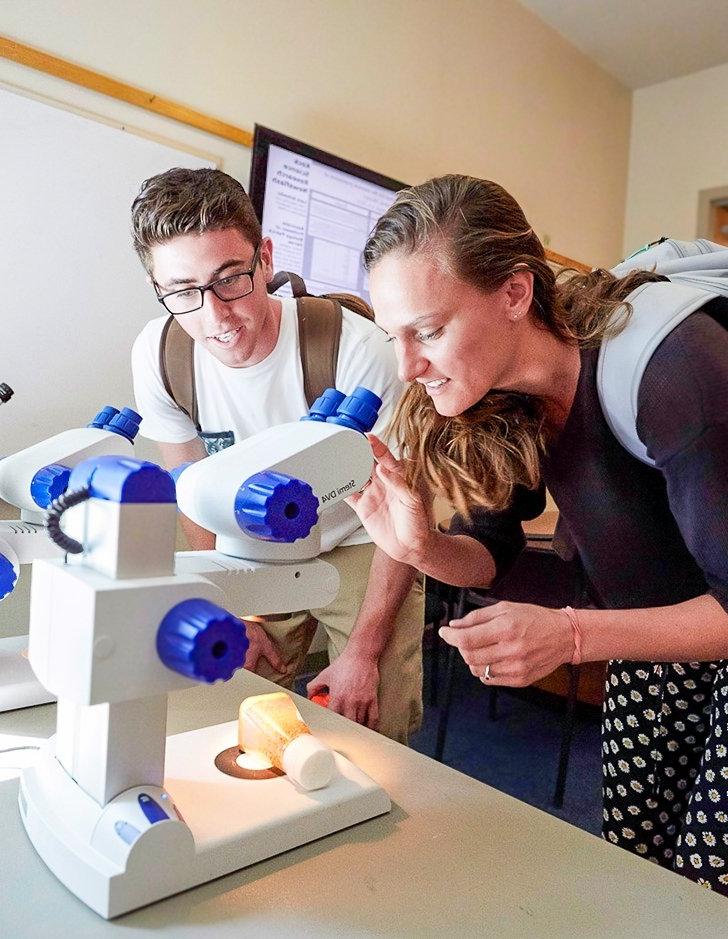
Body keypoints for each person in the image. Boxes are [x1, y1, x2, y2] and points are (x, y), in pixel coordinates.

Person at [347, 174, 728, 892]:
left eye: (427, 330)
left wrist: (572, 635)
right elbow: (491, 557)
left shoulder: (676, 371)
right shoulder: (503, 392)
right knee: (631, 854)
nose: (406, 366)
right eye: (392, 335)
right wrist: (419, 547)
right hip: (660, 628)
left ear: (516, 293)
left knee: (708, 881)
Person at [130, 167, 423, 744]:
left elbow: (404, 510)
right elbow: (194, 496)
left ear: (264, 258)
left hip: (362, 539)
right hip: (251, 545)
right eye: (183, 291)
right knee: (232, 696)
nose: (214, 317)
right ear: (158, 288)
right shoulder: (161, 357)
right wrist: (238, 610)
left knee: (373, 719)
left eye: (231, 279)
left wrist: (363, 653)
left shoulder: (358, 351)